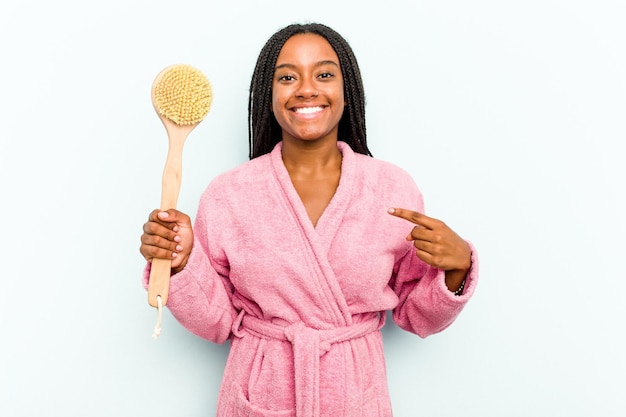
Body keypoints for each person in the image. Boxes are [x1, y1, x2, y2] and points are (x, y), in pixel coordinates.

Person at [140, 22, 478, 417]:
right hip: (258, 392)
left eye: (324, 74)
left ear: (346, 90)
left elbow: (418, 316)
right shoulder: (229, 194)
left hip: (356, 397)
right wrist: (180, 260)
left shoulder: (390, 187)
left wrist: (456, 268)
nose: (306, 88)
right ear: (269, 94)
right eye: (287, 77)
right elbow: (216, 323)